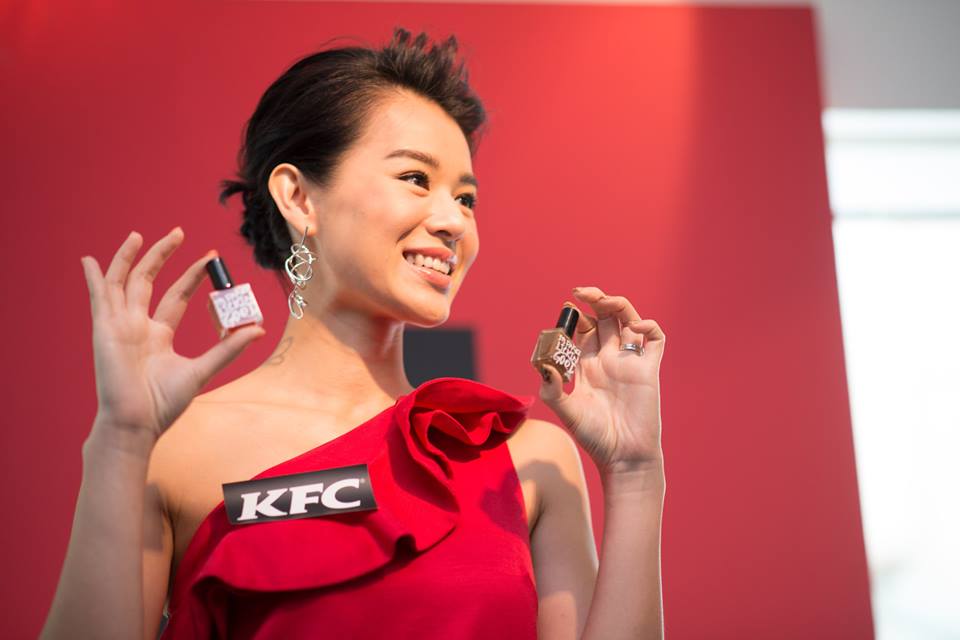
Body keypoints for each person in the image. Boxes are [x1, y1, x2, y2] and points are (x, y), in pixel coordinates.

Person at [41, 28, 666, 639]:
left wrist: (635, 473)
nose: (454, 222)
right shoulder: (176, 452)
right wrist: (122, 442)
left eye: (466, 198)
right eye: (416, 178)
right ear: (298, 198)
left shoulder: (527, 459)